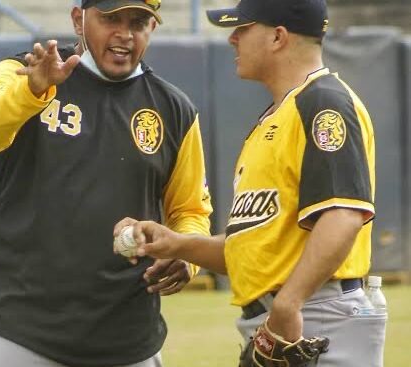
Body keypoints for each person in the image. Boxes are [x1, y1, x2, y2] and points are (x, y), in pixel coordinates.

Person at [116, 0, 386, 366]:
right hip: (289, 313)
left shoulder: (324, 103)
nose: (232, 39)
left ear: (277, 37)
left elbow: (343, 216)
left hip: (317, 313)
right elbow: (255, 249)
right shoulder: (279, 115)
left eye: (243, 28)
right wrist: (177, 244)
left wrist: (289, 304)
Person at [0, 0, 213, 366]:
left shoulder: (174, 109)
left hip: (128, 339)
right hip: (22, 331)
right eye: (111, 19)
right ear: (78, 19)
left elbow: (191, 211)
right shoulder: (24, 71)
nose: (125, 34)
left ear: (153, 29)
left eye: (139, 22)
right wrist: (31, 91)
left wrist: (186, 255)